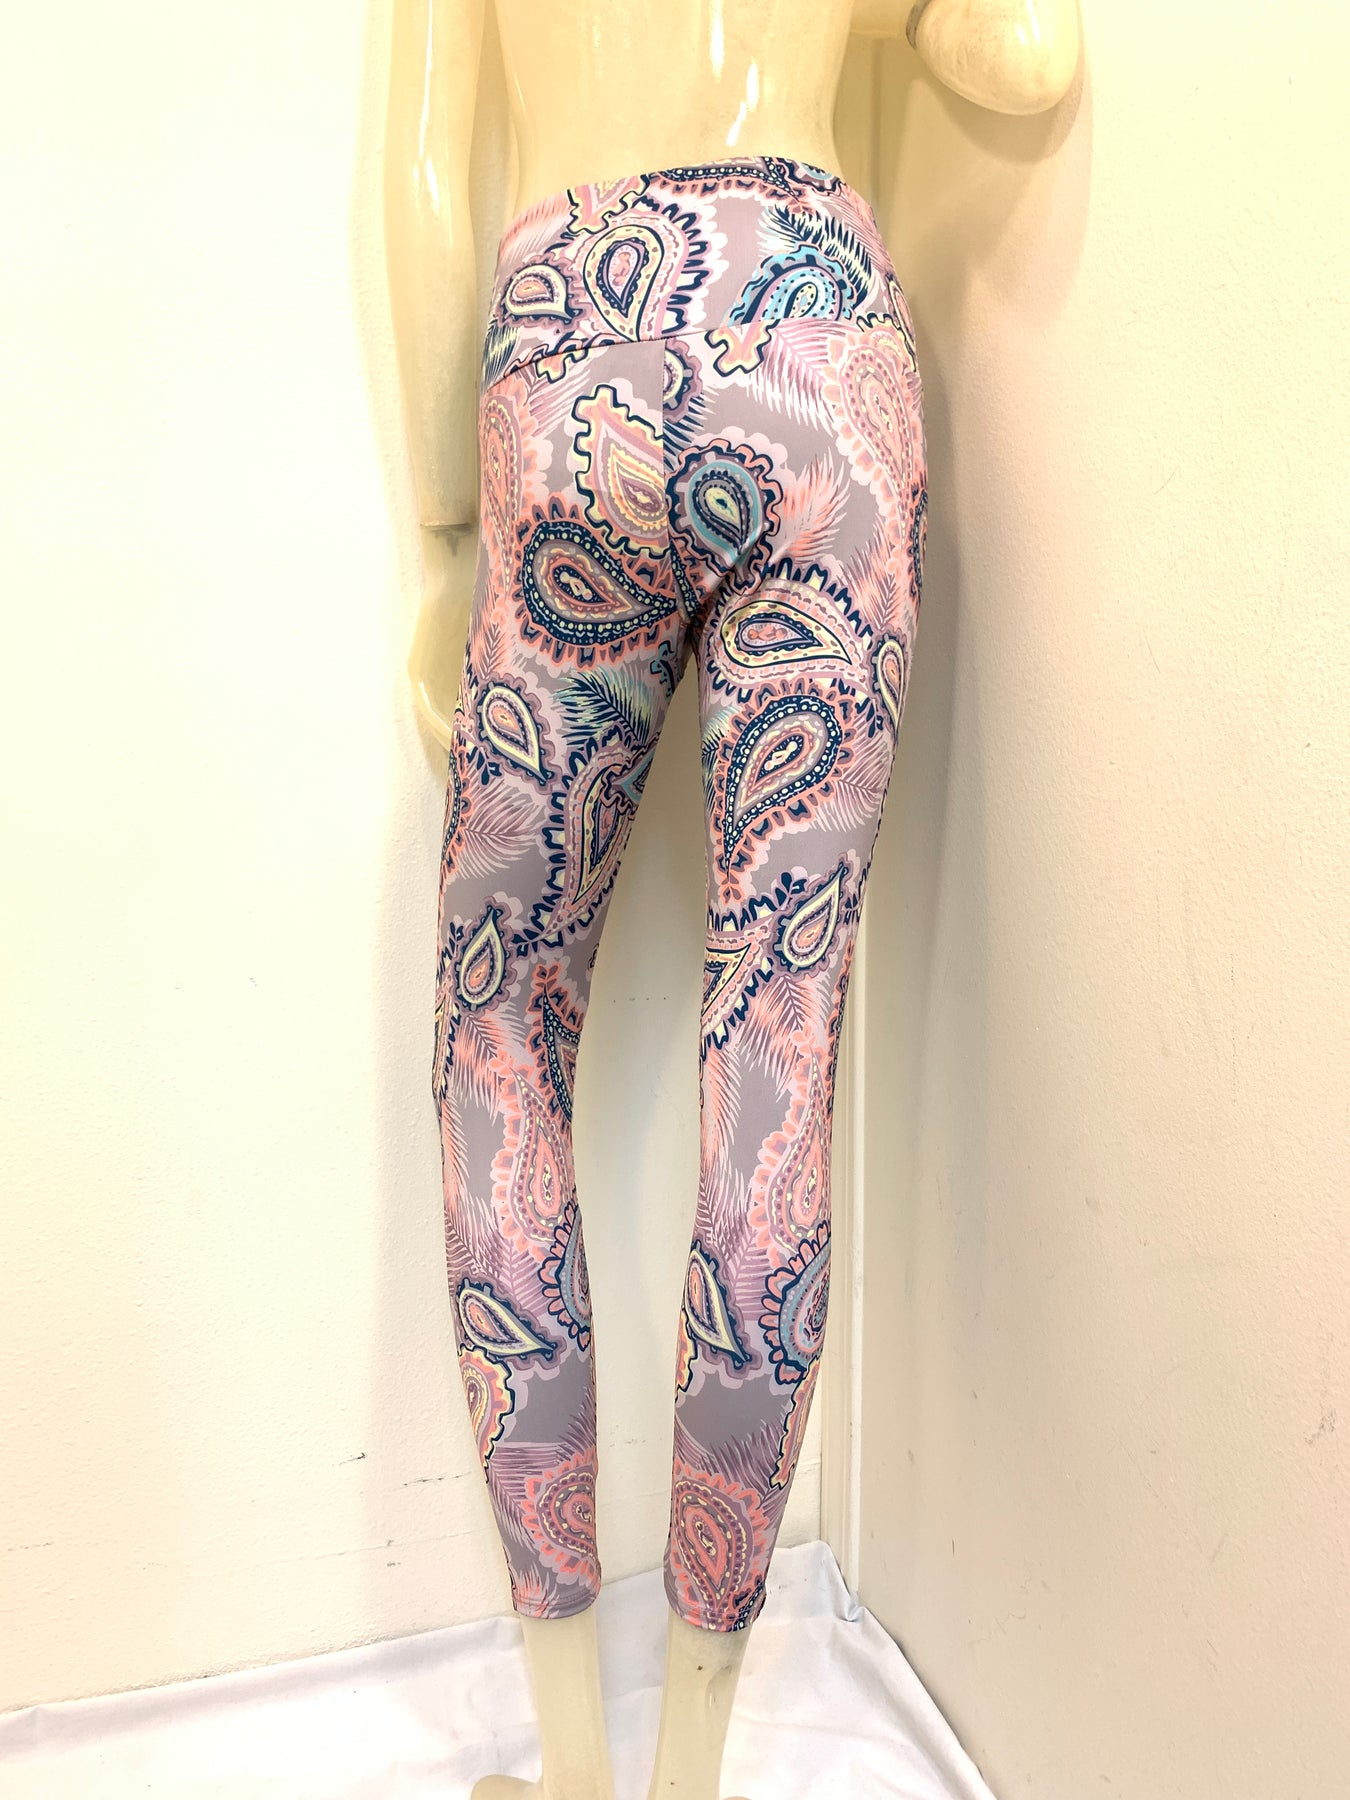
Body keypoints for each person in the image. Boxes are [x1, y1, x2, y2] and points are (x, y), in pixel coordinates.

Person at [383, 6, 1079, 1795]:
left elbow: (420, 172)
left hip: (568, 355)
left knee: (498, 1036)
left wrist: (446, 533)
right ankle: (689, 1773)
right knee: (780, 1041)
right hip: (821, 348)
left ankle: (570, 1761)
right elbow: (1024, 56)